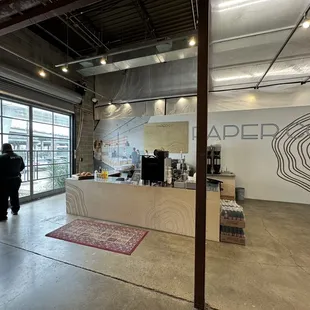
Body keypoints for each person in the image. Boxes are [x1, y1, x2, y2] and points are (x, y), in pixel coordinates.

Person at [0, 144, 25, 221]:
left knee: (3, 198)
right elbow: (22, 167)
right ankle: (15, 210)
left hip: (5, 180)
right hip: (16, 179)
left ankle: (2, 215)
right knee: (14, 194)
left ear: (3, 149)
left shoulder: (2, 157)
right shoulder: (18, 157)